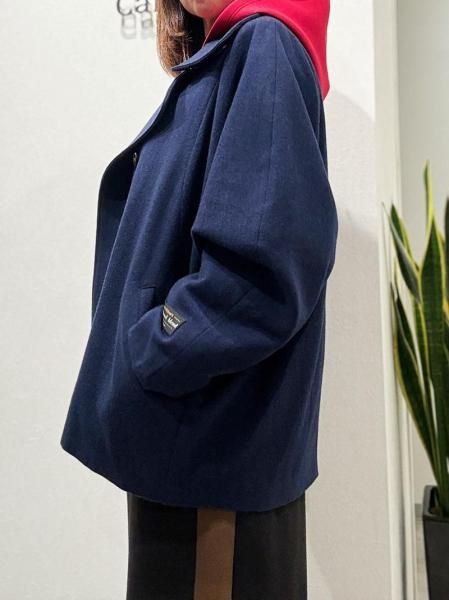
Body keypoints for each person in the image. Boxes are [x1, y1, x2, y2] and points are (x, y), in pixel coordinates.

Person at [60, 0, 338, 597]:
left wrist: (157, 344)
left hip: (212, 463)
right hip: (197, 454)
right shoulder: (235, 50)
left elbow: (262, 269)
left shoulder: (264, 44)